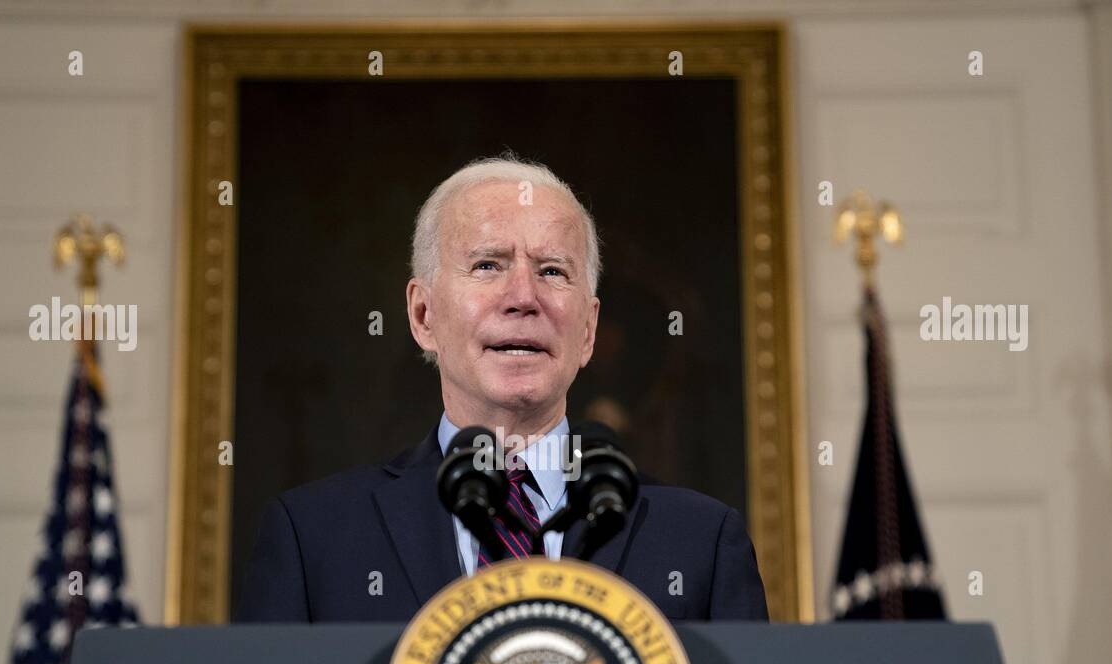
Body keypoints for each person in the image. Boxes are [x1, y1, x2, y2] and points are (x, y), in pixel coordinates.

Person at [238, 154, 768, 623]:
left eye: (553, 271)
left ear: (587, 330)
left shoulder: (702, 541)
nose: (523, 298)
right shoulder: (313, 538)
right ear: (423, 315)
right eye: (488, 265)